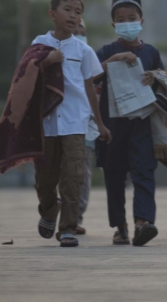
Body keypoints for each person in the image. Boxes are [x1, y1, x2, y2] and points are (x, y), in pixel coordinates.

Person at [34, 0, 111, 247]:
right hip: (46, 122)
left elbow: (90, 88)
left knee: (74, 175)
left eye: (78, 12)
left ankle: (67, 228)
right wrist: (47, 61)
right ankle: (48, 209)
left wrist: (99, 123)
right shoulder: (39, 44)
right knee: (45, 178)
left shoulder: (83, 50)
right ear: (52, 14)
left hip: (75, 121)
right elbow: (26, 74)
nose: (73, 16)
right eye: (68, 10)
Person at [95, 0, 164, 246]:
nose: (127, 23)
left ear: (141, 20)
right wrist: (112, 60)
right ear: (114, 25)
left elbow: (165, 85)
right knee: (114, 175)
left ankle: (143, 222)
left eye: (131, 17)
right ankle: (120, 226)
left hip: (142, 125)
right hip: (112, 126)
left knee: (144, 172)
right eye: (121, 19)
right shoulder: (105, 51)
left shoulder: (152, 53)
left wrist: (154, 79)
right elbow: (91, 77)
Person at [73, 20, 95, 235]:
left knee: (82, 174)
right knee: (60, 172)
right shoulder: (53, 57)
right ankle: (54, 212)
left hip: (86, 128)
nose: (80, 35)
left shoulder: (90, 57)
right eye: (75, 31)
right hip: (60, 127)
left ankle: (75, 217)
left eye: (83, 32)